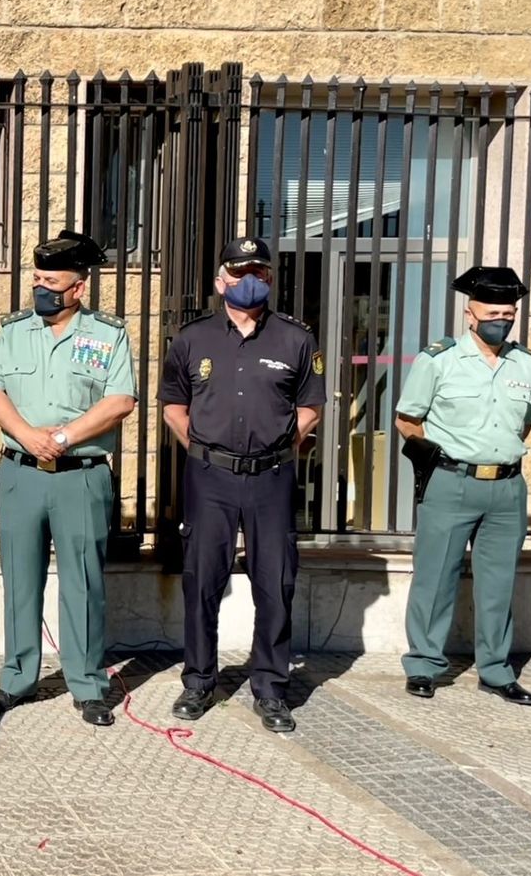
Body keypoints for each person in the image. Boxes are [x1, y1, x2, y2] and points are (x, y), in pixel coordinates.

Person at [158, 236, 324, 733]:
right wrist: (207, 451)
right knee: (203, 579)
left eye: (259, 272)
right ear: (219, 281)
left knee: (275, 582)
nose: (249, 281)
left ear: (270, 279)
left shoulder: (296, 339)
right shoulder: (192, 338)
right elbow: (173, 405)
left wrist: (274, 447)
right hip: (209, 476)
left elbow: (311, 407)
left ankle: (271, 687)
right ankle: (199, 680)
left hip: (271, 478)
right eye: (239, 272)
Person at [0, 231, 137, 727]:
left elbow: (119, 401)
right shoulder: (13, 331)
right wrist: (28, 435)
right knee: (20, 579)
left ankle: (87, 684)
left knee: (83, 583)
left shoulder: (107, 335)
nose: (40, 288)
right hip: (21, 473)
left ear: (78, 288)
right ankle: (16, 678)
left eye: (51, 281)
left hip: (80, 476)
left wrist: (62, 438)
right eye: (37, 278)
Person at [395, 266, 531, 706]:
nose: (503, 319)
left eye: (510, 312)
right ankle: (424, 664)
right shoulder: (438, 360)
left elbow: (527, 426)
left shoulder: (527, 364)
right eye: (494, 311)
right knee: (435, 577)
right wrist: (436, 459)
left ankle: (497, 671)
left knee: (498, 584)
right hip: (451, 483)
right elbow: (408, 419)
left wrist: (497, 453)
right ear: (470, 314)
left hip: (506, 488)